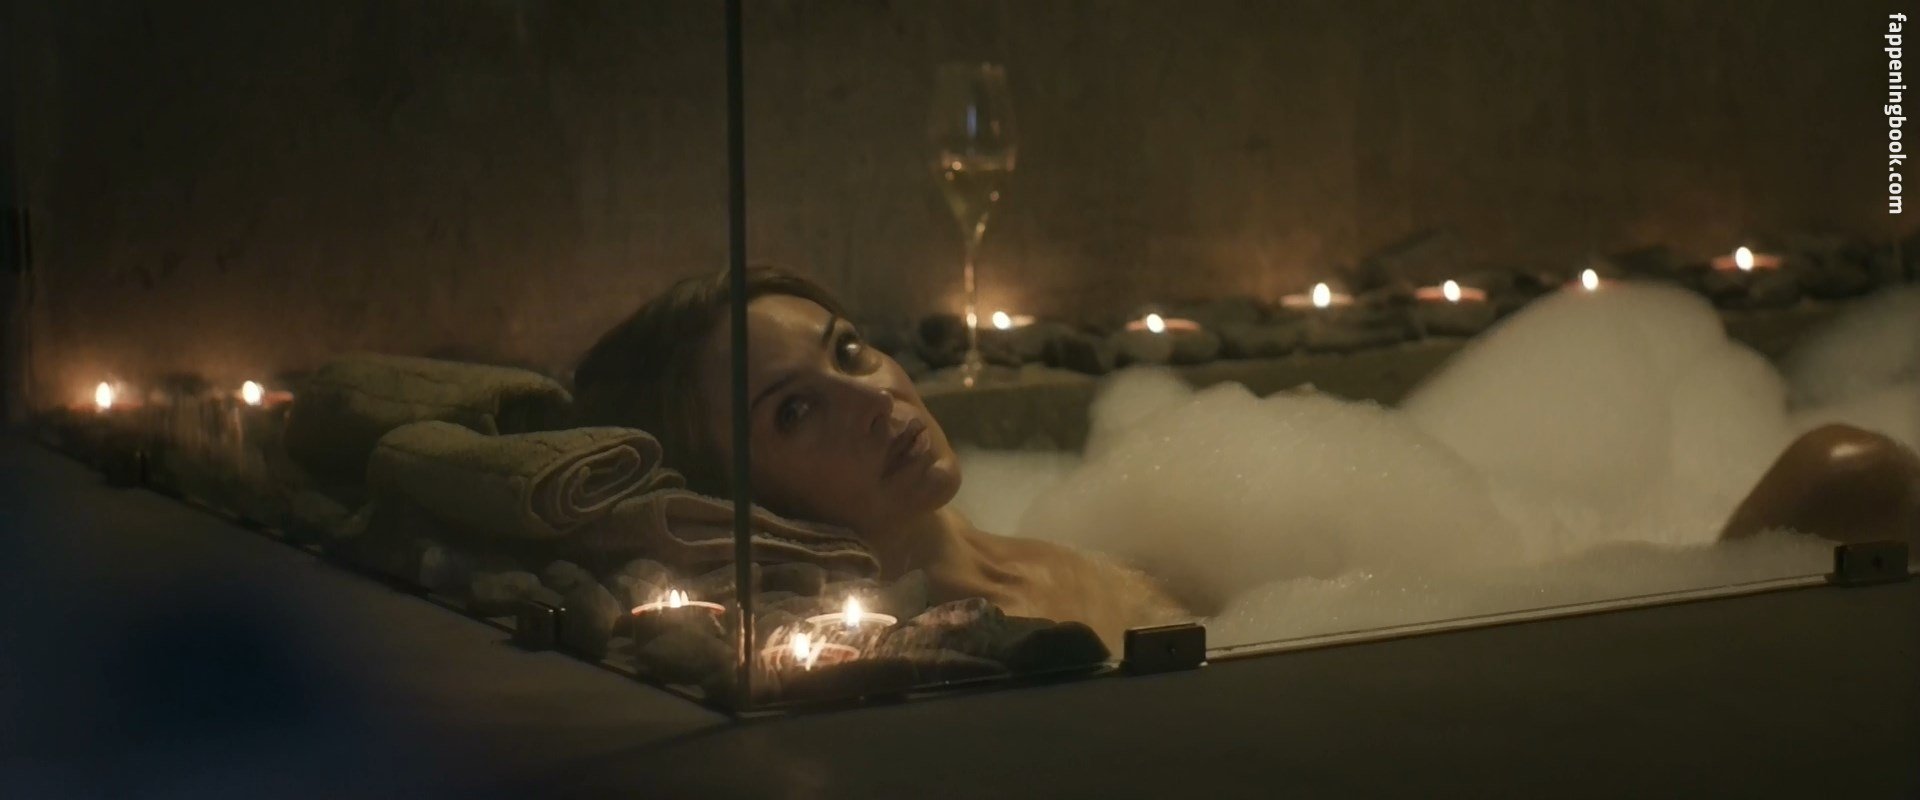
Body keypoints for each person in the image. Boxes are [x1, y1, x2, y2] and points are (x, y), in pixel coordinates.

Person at [573, 267, 1920, 648]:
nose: (870, 396)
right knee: (1850, 471)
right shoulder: (961, 644)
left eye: (853, 350)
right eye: (793, 414)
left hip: (1502, 605)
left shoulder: (1041, 541)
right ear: (737, 499)